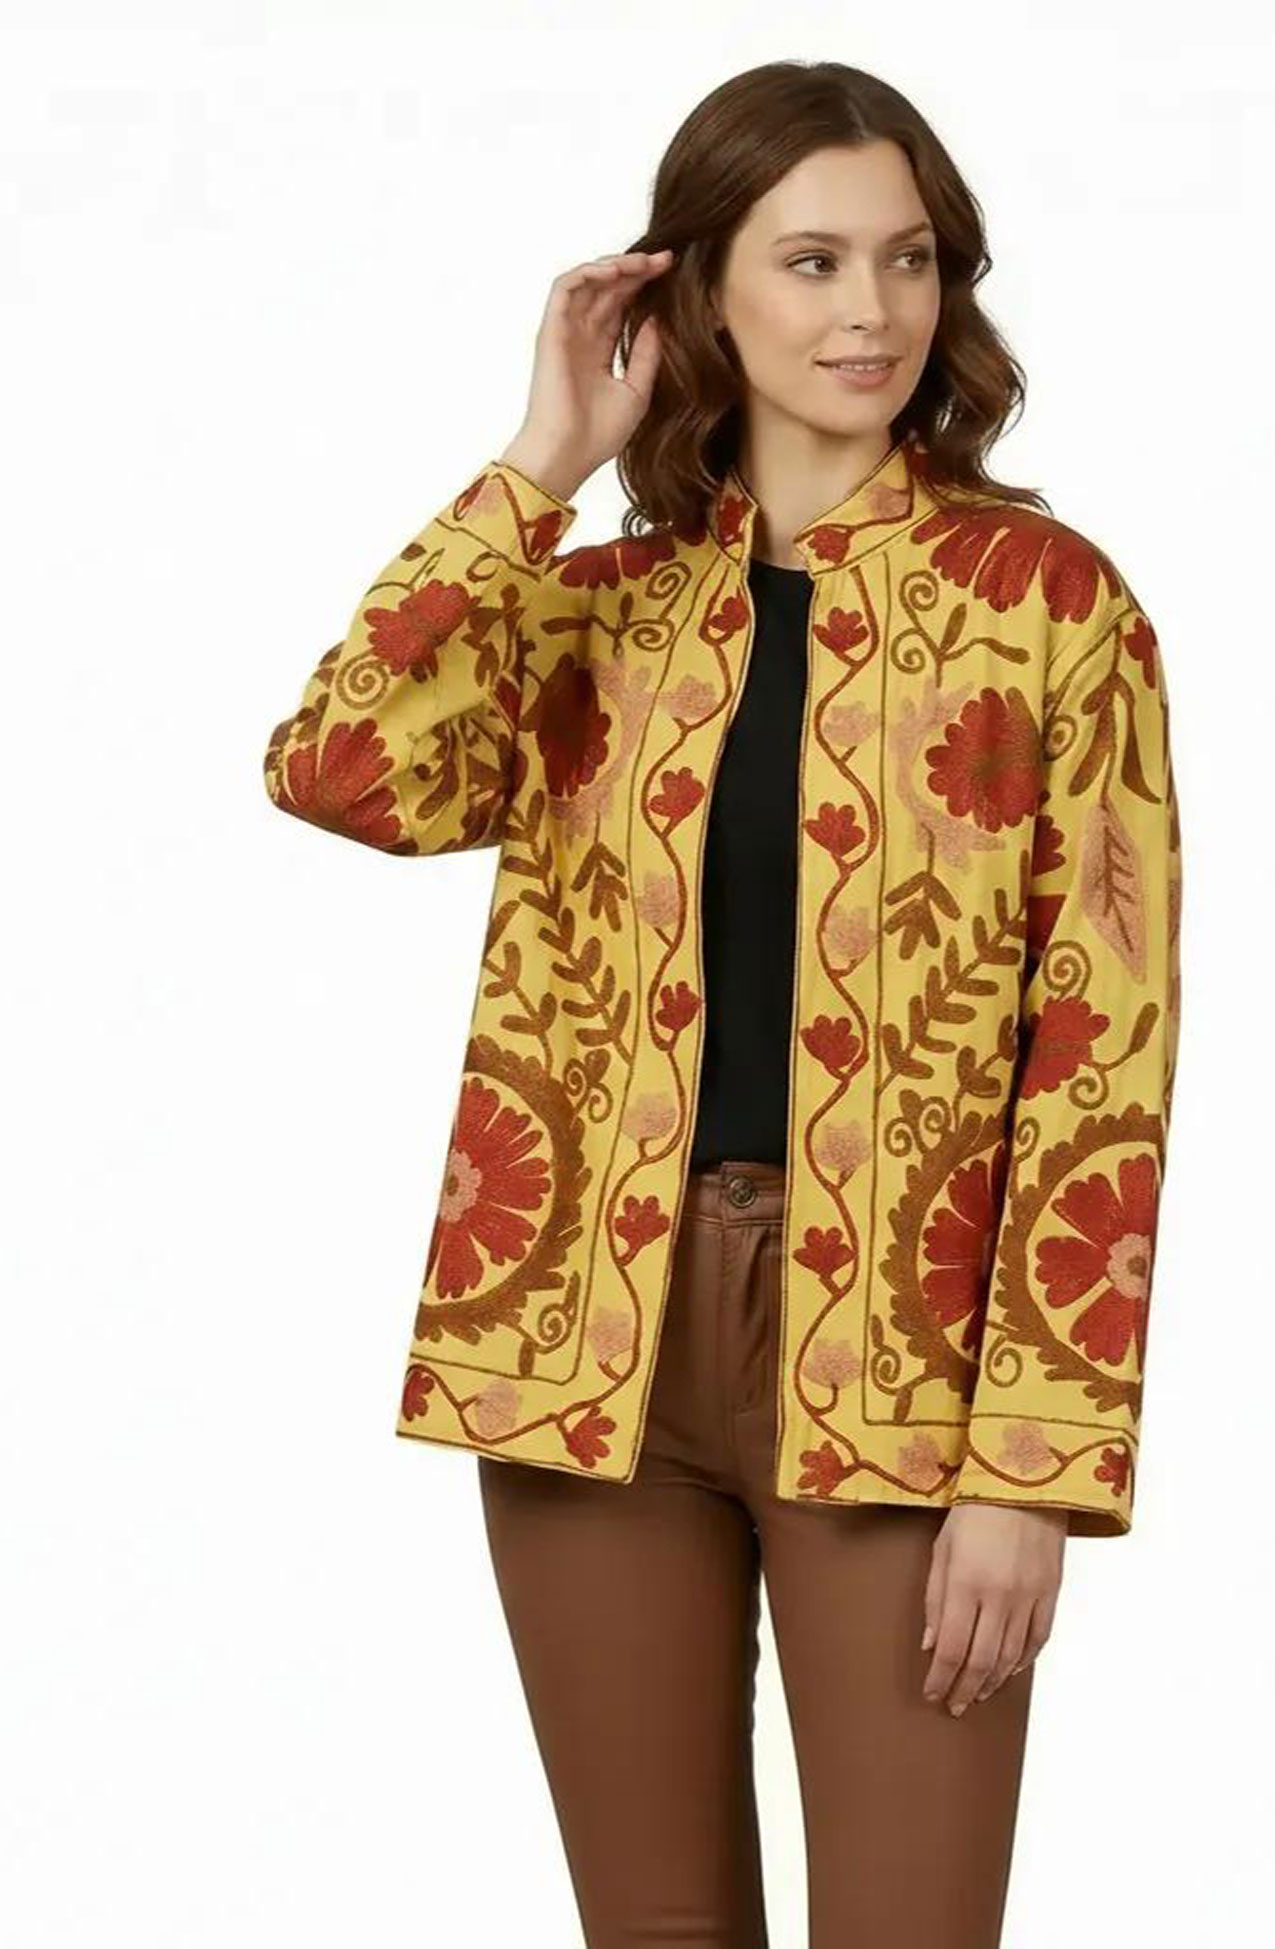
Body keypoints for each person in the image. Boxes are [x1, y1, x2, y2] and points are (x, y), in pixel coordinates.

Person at [263, 59, 1182, 1949]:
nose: (872, 310)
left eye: (909, 259)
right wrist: (537, 464)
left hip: (908, 1360)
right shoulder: (593, 608)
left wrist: (1035, 1462)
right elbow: (340, 770)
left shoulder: (1049, 605)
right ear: (702, 288)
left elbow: (1104, 1047)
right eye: (814, 260)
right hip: (581, 1340)